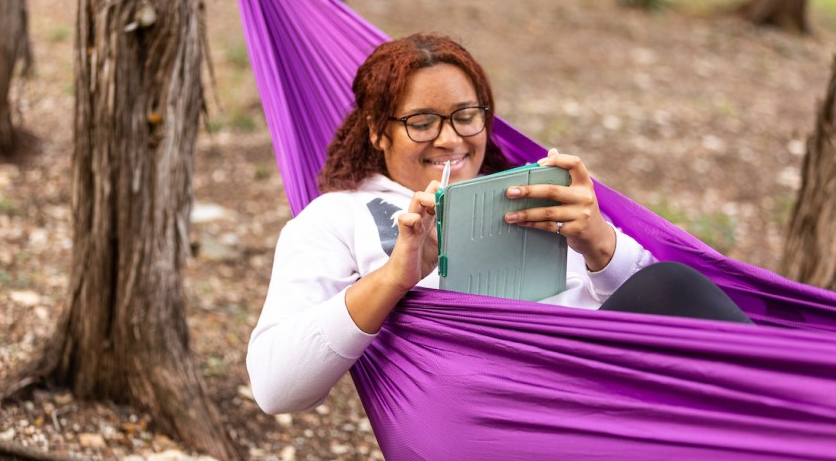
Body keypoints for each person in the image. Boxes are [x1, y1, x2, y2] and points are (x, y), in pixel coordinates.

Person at [246, 33, 750, 416]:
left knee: (667, 285)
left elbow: (655, 313)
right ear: (379, 132)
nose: (451, 139)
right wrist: (394, 279)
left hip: (607, 385)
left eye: (467, 115)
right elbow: (274, 388)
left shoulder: (526, 189)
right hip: (499, 407)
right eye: (422, 122)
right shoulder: (336, 217)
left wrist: (599, 243)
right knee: (671, 285)